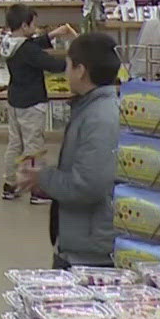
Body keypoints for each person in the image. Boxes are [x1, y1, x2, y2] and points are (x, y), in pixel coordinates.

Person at [21, 32, 122, 268]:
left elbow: (89, 185)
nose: (65, 72)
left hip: (90, 251)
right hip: (80, 239)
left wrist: (44, 177)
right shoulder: (89, 109)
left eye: (67, 65)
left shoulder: (100, 118)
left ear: (80, 70)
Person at [2, 4, 78, 203]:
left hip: (15, 100)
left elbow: (33, 45)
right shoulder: (27, 50)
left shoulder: (10, 43)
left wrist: (54, 34)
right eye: (34, 25)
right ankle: (37, 189)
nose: (36, 29)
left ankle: (10, 185)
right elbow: (52, 65)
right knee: (33, 146)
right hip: (32, 103)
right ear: (25, 25)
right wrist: (74, 59)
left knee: (14, 144)